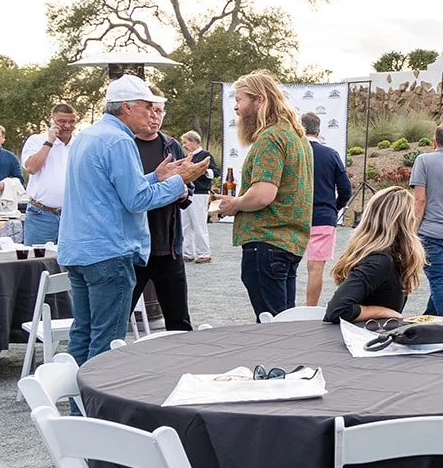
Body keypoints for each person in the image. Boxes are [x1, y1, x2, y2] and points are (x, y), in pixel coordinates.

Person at [57, 76, 202, 363]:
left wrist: (156, 177)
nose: (152, 113)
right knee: (107, 340)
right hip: (109, 251)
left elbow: (110, 188)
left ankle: (72, 398)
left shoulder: (88, 136)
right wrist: (178, 181)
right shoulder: (120, 141)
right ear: (126, 107)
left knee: (82, 332)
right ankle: (96, 404)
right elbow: (136, 200)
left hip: (78, 249)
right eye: (147, 106)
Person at [217, 72, 314, 320]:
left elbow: (262, 194)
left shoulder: (270, 138)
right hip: (288, 243)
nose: (236, 107)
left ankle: (278, 361)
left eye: (239, 99)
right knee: (284, 322)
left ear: (259, 100)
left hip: (266, 241)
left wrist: (234, 204)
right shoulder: (296, 136)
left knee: (271, 327)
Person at [127, 96, 193, 332]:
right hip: (134, 247)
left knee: (179, 321)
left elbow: (188, 186)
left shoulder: (172, 146)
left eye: (160, 111)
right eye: (150, 110)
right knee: (120, 316)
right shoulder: (125, 145)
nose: (155, 116)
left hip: (169, 246)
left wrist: (184, 193)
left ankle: (183, 366)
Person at [323, 187, 422, 324]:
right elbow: (337, 310)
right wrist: (383, 312)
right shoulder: (379, 261)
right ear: (403, 221)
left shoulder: (389, 258)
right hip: (361, 340)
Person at [410, 122, 443, 316]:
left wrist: (412, 232)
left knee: (440, 285)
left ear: (434, 141)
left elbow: (420, 200)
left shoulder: (423, 161)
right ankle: (429, 318)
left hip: (431, 233)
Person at [301, 113, 353, 307]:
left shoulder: (293, 152)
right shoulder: (331, 154)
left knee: (285, 267)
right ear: (318, 131)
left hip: (294, 216)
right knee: (316, 268)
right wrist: (334, 207)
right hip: (323, 216)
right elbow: (346, 189)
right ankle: (309, 309)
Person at [21, 103, 77, 246]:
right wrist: (50, 141)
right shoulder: (36, 140)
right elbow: (31, 168)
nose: (67, 126)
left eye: (71, 121)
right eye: (62, 121)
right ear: (52, 121)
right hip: (41, 214)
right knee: (37, 260)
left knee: (70, 264)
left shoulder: (79, 143)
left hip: (71, 216)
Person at [178, 131, 215, 263]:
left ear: (194, 142)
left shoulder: (206, 155)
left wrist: (204, 171)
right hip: (187, 192)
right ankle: (186, 252)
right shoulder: (186, 157)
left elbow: (215, 171)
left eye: (186, 142)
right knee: (185, 224)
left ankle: (204, 252)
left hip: (200, 193)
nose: (184, 145)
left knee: (199, 224)